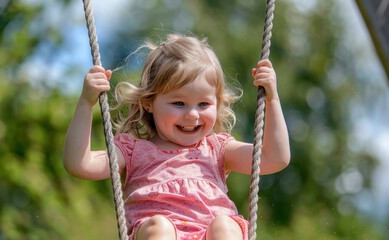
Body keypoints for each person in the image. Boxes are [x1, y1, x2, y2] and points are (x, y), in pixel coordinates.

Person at [63, 33, 290, 240]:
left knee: (225, 226)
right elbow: (79, 164)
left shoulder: (216, 150)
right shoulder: (133, 152)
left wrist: (272, 99)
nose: (192, 114)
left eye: (203, 104)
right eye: (179, 103)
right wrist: (85, 103)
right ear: (149, 103)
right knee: (159, 227)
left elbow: (274, 158)